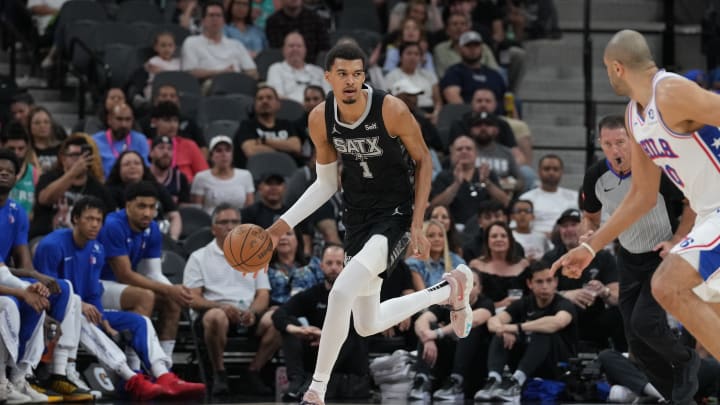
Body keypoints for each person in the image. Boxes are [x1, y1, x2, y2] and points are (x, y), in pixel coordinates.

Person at [264, 42, 474, 405]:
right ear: (327, 76)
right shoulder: (320, 117)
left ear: (365, 76)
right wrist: (280, 226)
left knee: (341, 292)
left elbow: (424, 161)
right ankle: (449, 290)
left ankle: (317, 388)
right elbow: (326, 183)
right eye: (342, 74)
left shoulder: (390, 109)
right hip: (356, 217)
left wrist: (419, 222)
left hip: (394, 214)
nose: (350, 81)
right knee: (366, 322)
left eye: (357, 74)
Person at [551, 29, 720, 400]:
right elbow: (642, 196)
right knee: (712, 313)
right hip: (710, 214)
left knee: (665, 284)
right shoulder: (634, 117)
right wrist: (592, 246)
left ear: (616, 67)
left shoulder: (671, 92)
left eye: (606, 70)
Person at [33, 196, 205, 400]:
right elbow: (47, 289)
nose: (95, 224)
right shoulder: (51, 245)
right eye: (89, 219)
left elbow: (94, 292)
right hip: (57, 314)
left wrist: (102, 318)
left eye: (99, 220)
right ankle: (131, 379)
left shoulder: (97, 249)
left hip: (85, 310)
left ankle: (163, 375)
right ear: (75, 219)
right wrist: (81, 305)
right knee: (82, 315)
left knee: (139, 321)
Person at [578, 114, 699, 401]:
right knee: (636, 342)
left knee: (645, 322)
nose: (615, 150)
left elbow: (690, 203)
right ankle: (678, 397)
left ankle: (686, 359)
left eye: (621, 142)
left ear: (633, 141)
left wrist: (677, 239)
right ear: (600, 144)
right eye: (608, 144)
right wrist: (588, 234)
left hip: (662, 255)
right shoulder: (595, 175)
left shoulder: (656, 169)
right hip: (628, 257)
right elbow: (590, 217)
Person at [183, 204, 275, 397]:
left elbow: (263, 294)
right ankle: (219, 373)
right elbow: (193, 298)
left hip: (248, 314)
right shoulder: (199, 257)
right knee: (216, 317)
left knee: (279, 318)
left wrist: (254, 312)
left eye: (235, 222)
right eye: (224, 222)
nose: (230, 226)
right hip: (215, 313)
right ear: (213, 228)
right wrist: (222, 307)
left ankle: (253, 371)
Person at [97, 181, 192, 360]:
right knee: (145, 296)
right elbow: (124, 274)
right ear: (127, 205)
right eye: (141, 206)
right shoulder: (113, 225)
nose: (147, 213)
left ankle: (164, 365)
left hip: (121, 286)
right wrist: (170, 289)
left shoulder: (152, 228)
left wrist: (177, 293)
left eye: (151, 207)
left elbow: (153, 273)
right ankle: (135, 366)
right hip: (97, 285)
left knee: (172, 300)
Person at [271, 244, 370, 402]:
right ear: (321, 266)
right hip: (316, 349)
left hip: (348, 356)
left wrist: (325, 336)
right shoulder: (314, 293)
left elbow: (361, 324)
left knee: (353, 332)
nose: (334, 268)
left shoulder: (358, 293)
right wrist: (297, 330)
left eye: (339, 263)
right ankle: (296, 380)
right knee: (289, 324)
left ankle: (315, 383)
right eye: (329, 263)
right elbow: (279, 314)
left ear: (347, 266)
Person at [476, 260, 578, 402]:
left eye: (549, 281)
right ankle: (494, 380)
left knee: (543, 330)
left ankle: (516, 383)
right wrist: (502, 330)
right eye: (539, 282)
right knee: (501, 335)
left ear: (556, 282)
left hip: (557, 364)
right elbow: (492, 322)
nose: (545, 286)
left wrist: (516, 327)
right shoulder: (524, 303)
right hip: (529, 362)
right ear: (529, 284)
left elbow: (557, 322)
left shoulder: (564, 304)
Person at [181, 1, 258, 81]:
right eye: (211, 15)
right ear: (203, 21)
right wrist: (221, 73)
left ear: (224, 21)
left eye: (218, 16)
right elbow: (190, 72)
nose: (215, 19)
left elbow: (252, 71)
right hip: (207, 86)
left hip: (236, 84)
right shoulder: (191, 42)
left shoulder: (236, 44)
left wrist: (236, 75)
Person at [191, 135, 255, 215]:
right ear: (211, 156)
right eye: (219, 150)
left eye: (228, 150)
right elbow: (197, 210)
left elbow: (250, 208)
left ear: (232, 154)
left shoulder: (245, 175)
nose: (224, 154)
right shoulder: (201, 177)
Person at [266, 32, 329, 104]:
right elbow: (277, 96)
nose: (295, 49)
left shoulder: (318, 71)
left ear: (305, 50)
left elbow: (328, 95)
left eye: (299, 46)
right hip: (290, 112)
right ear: (283, 50)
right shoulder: (276, 69)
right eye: (291, 46)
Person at [143, 32, 181, 99]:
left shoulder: (178, 62)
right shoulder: (154, 61)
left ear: (175, 47)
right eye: (163, 45)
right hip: (156, 88)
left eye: (170, 45)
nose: (167, 49)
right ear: (155, 47)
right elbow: (161, 76)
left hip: (174, 90)